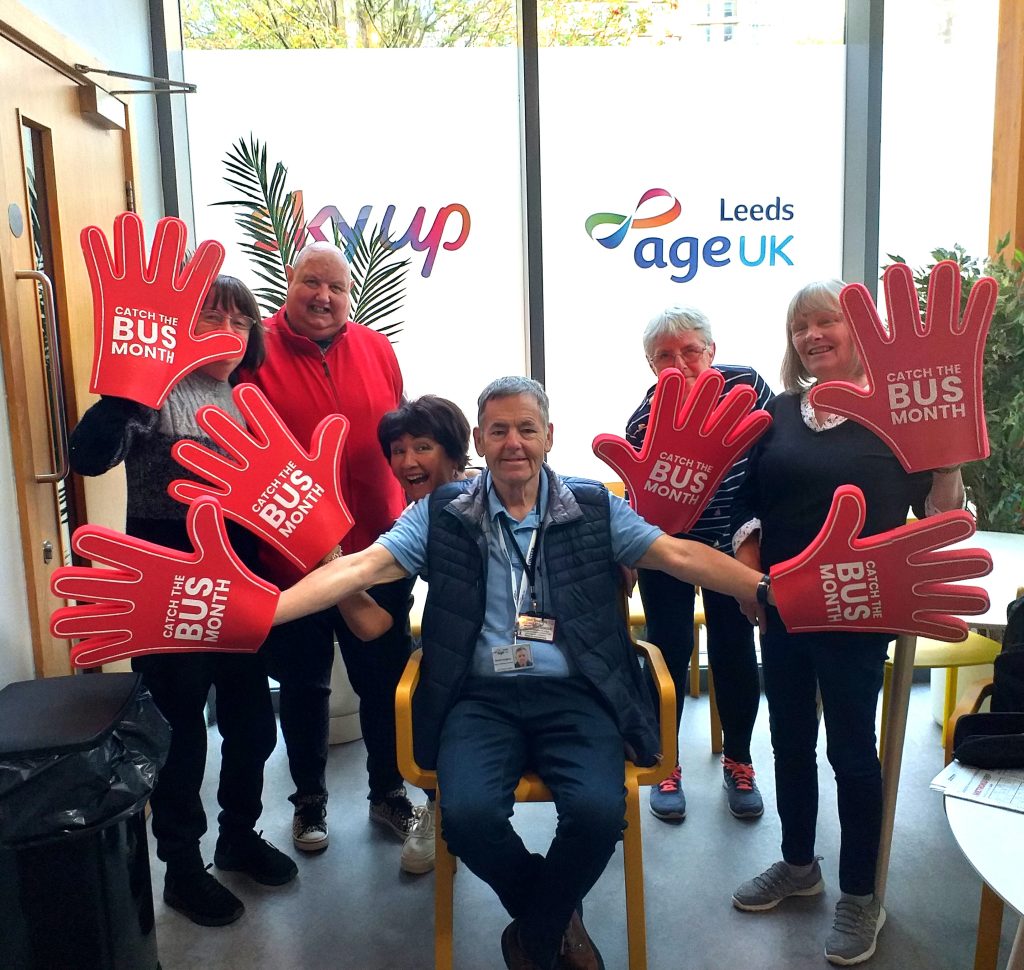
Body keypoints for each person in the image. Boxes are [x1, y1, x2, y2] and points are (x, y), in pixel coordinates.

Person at [272, 376, 774, 970]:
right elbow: (360, 568)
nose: (515, 443)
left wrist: (766, 590)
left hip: (577, 693)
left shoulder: (594, 507)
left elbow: (680, 555)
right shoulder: (441, 514)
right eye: (500, 430)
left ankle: (531, 937)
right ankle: (558, 919)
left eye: (527, 429)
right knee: (467, 816)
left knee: (595, 813)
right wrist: (261, 614)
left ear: (549, 437)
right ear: (480, 441)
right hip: (478, 698)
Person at [729, 281, 967, 965]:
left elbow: (943, 519)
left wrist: (945, 455)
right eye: (800, 325)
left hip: (861, 609)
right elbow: (751, 502)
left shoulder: (898, 412)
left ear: (858, 330)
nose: (813, 335)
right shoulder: (777, 412)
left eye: (825, 320)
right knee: (790, 741)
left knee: (854, 754)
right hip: (782, 607)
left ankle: (862, 894)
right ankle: (799, 865)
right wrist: (748, 573)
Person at [68, 275, 297, 927]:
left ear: (253, 333)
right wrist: (119, 394)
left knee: (253, 721)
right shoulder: (152, 397)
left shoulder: (247, 398)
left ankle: (237, 836)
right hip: (166, 583)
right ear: (181, 332)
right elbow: (88, 455)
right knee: (179, 732)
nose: (226, 327)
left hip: (241, 581)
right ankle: (183, 866)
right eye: (210, 317)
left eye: (239, 318)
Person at [240, 241, 417, 854]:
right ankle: (309, 802)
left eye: (336, 288)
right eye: (312, 282)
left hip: (379, 548)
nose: (324, 297)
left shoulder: (376, 347)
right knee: (305, 684)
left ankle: (388, 793)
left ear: (350, 295)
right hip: (286, 559)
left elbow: (403, 437)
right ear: (289, 283)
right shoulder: (252, 349)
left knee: (383, 678)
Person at [625, 306, 772, 823]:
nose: (680, 363)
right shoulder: (644, 419)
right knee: (667, 650)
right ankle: (666, 761)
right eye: (665, 355)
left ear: (711, 351)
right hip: (670, 551)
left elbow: (771, 469)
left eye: (691, 350)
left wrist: (751, 553)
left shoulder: (748, 387)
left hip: (735, 547)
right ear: (650, 365)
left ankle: (739, 760)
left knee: (734, 650)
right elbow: (639, 500)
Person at [373, 393, 474, 875]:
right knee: (425, 686)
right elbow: (371, 615)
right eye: (398, 450)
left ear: (455, 453)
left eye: (423, 447)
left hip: (533, 639)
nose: (407, 461)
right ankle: (434, 806)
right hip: (458, 641)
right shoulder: (417, 517)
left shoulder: (502, 487)